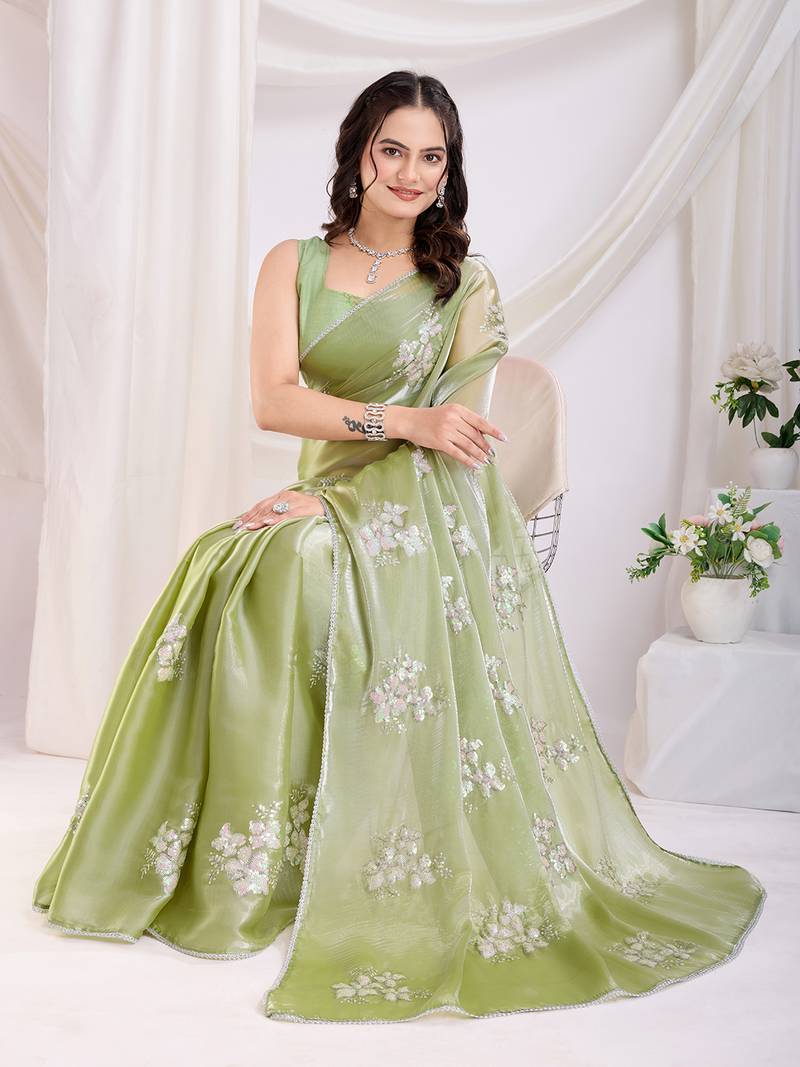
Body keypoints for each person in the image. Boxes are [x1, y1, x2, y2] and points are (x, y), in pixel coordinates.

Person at [32, 70, 766, 1024]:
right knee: (229, 560)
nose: (412, 173)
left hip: (431, 504)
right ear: (358, 153)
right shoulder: (293, 262)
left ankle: (342, 841)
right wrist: (356, 460)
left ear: (448, 168)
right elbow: (273, 401)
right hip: (327, 488)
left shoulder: (465, 283)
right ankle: (248, 857)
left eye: (432, 156)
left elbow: (451, 438)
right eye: (393, 150)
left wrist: (383, 456)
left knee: (298, 560)